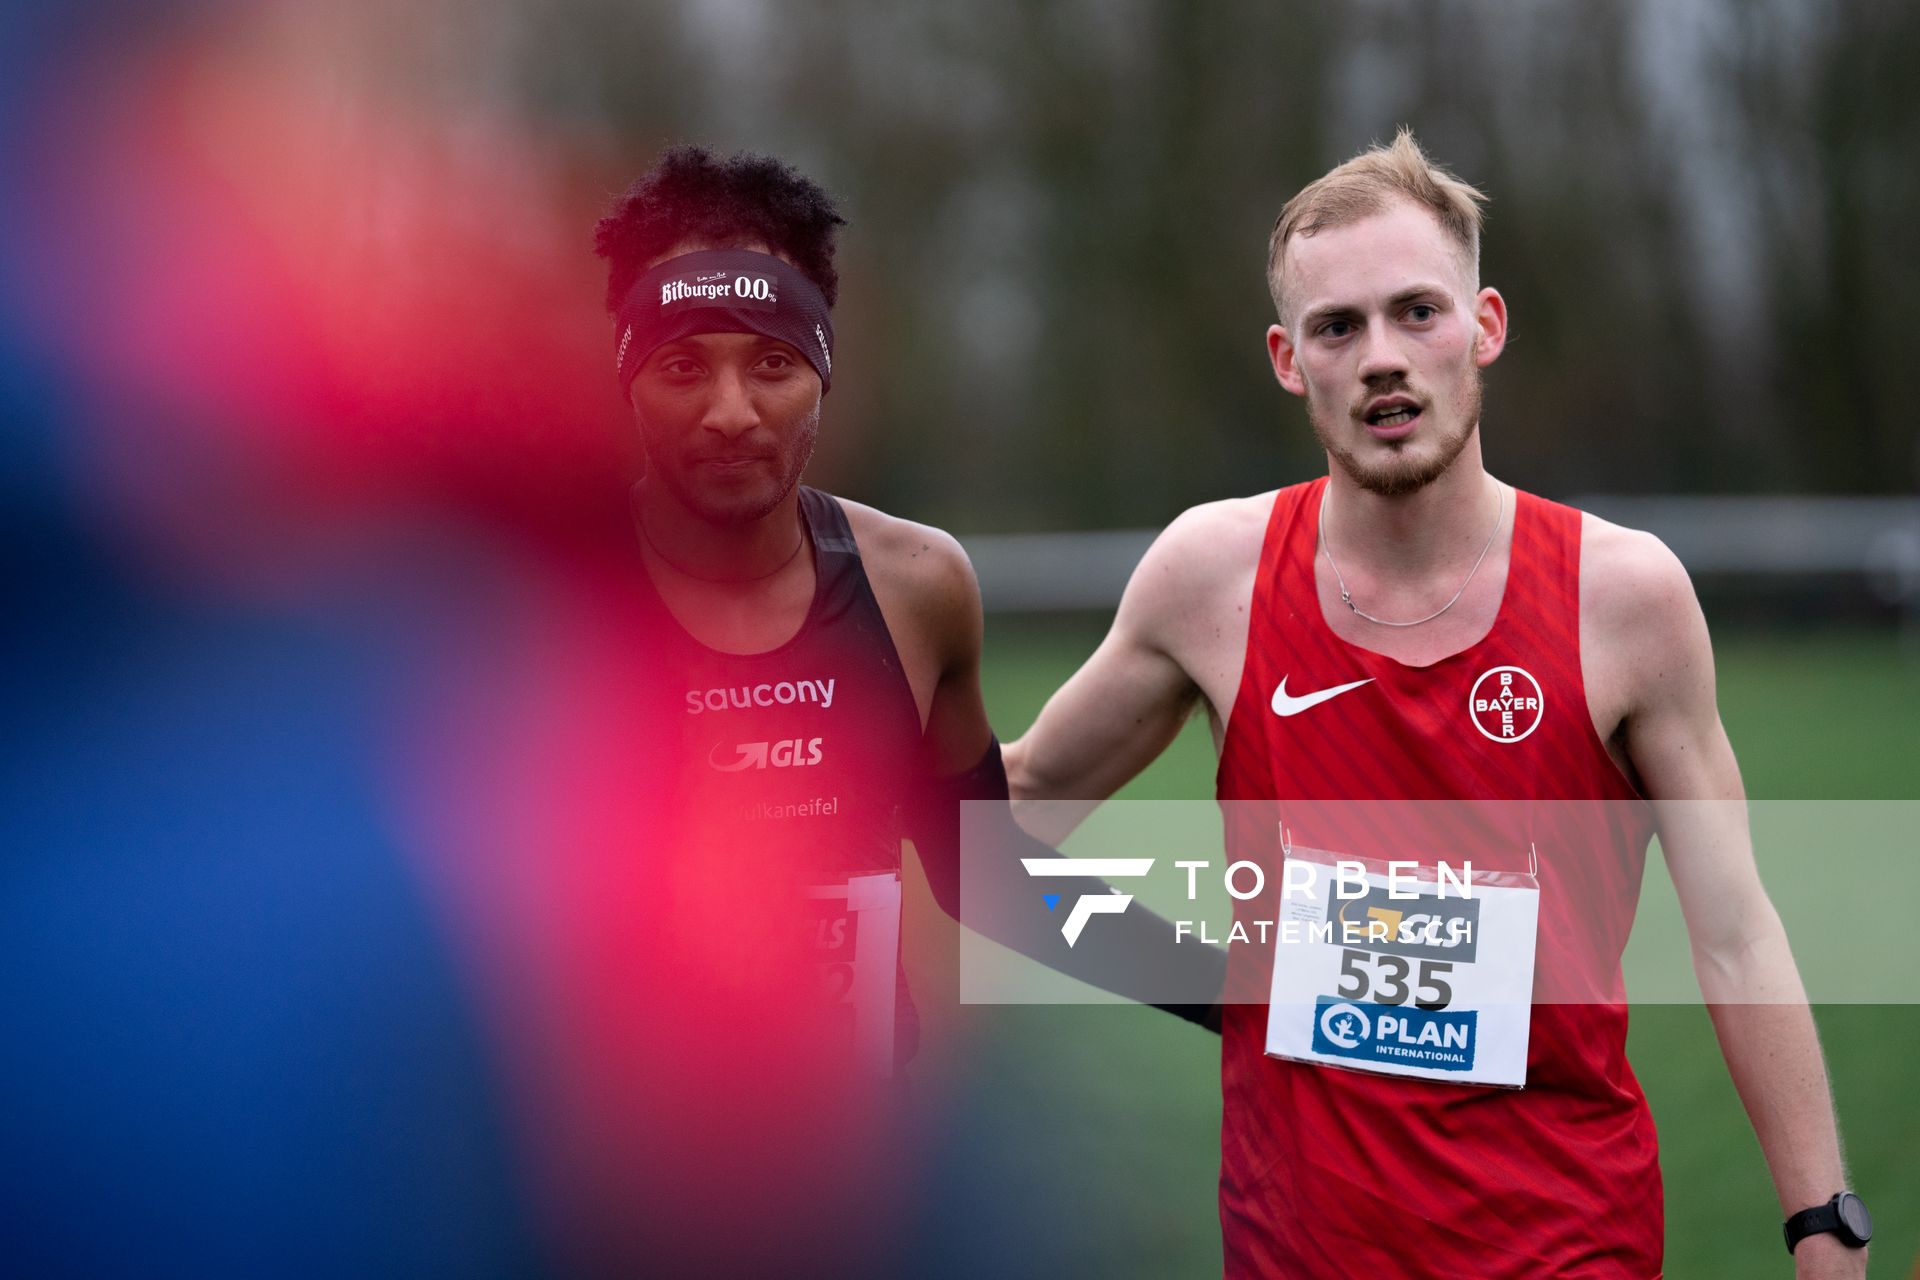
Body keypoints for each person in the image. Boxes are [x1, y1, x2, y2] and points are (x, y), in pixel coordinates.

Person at [1005, 129, 1868, 1278]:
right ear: (1285, 357)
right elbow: (996, 825)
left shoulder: (1626, 597)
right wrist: (1198, 975)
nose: (1381, 358)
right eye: (1337, 326)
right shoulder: (1208, 577)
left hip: (1568, 1241)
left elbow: (1735, 929)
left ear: (1487, 326)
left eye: (1419, 310)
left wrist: (1824, 1224)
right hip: (1292, 1249)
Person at [591, 145, 1222, 1273]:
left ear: (829, 370)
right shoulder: (532, 607)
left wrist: (1253, 996)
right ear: (625, 373)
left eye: (775, 361)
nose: (732, 410)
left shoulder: (916, 586)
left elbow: (988, 873)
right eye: (684, 364)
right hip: (613, 1201)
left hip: (871, 1193)